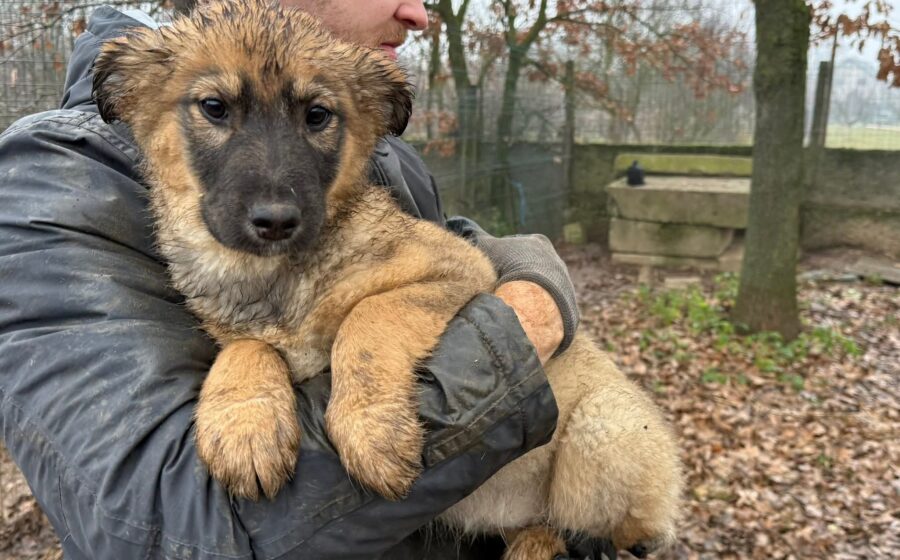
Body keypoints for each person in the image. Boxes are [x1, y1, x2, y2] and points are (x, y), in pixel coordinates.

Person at [0, 1, 600, 558]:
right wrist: (515, 337)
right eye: (215, 110)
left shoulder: (376, 146)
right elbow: (174, 527)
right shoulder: (50, 182)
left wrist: (531, 270)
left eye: (315, 117)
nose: (417, 13)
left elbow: (440, 244)